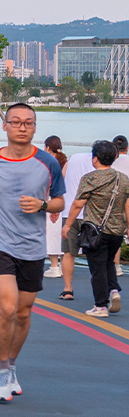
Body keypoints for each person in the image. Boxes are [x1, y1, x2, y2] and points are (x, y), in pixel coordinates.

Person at [0, 103, 64, 402]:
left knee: (23, 313)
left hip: (33, 247)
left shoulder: (48, 163)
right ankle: (1, 369)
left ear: (35, 128)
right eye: (16, 122)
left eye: (28, 123)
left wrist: (43, 205)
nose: (22, 127)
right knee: (7, 307)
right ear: (5, 126)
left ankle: (11, 365)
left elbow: (60, 201)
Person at [61, 141, 129, 317]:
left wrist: (68, 225)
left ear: (95, 159)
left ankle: (101, 306)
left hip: (95, 231)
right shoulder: (123, 179)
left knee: (97, 268)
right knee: (108, 263)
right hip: (117, 230)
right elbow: (127, 205)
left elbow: (78, 204)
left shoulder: (90, 178)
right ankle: (113, 290)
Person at [59, 137, 93, 301]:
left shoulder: (74, 158)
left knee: (68, 252)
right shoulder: (101, 165)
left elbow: (61, 177)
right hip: (91, 215)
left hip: (68, 212)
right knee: (95, 254)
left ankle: (67, 289)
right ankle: (101, 291)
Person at [42, 136, 67, 279]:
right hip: (66, 202)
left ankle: (54, 266)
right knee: (63, 234)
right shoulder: (65, 161)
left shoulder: (49, 162)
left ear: (47, 148)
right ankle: (63, 266)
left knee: (52, 234)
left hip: (53, 200)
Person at [111, 135, 129, 277]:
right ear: (127, 148)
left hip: (115, 202)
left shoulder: (110, 162)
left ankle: (117, 267)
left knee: (117, 235)